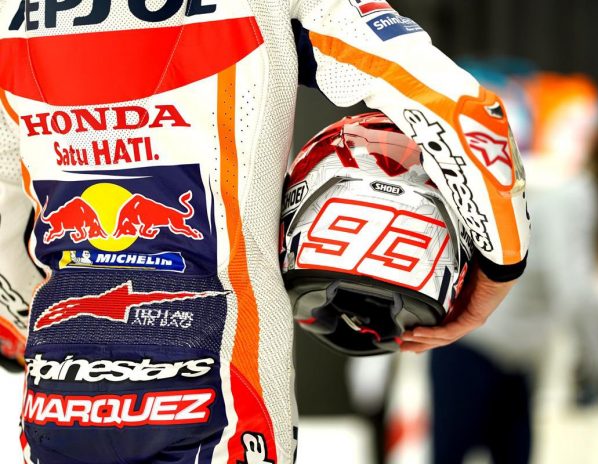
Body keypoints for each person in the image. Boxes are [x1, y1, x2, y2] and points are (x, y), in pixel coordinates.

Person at [0, 1, 529, 462]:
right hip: (220, 396)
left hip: (59, 393)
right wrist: (499, 267)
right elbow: (462, 110)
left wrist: (23, 329)